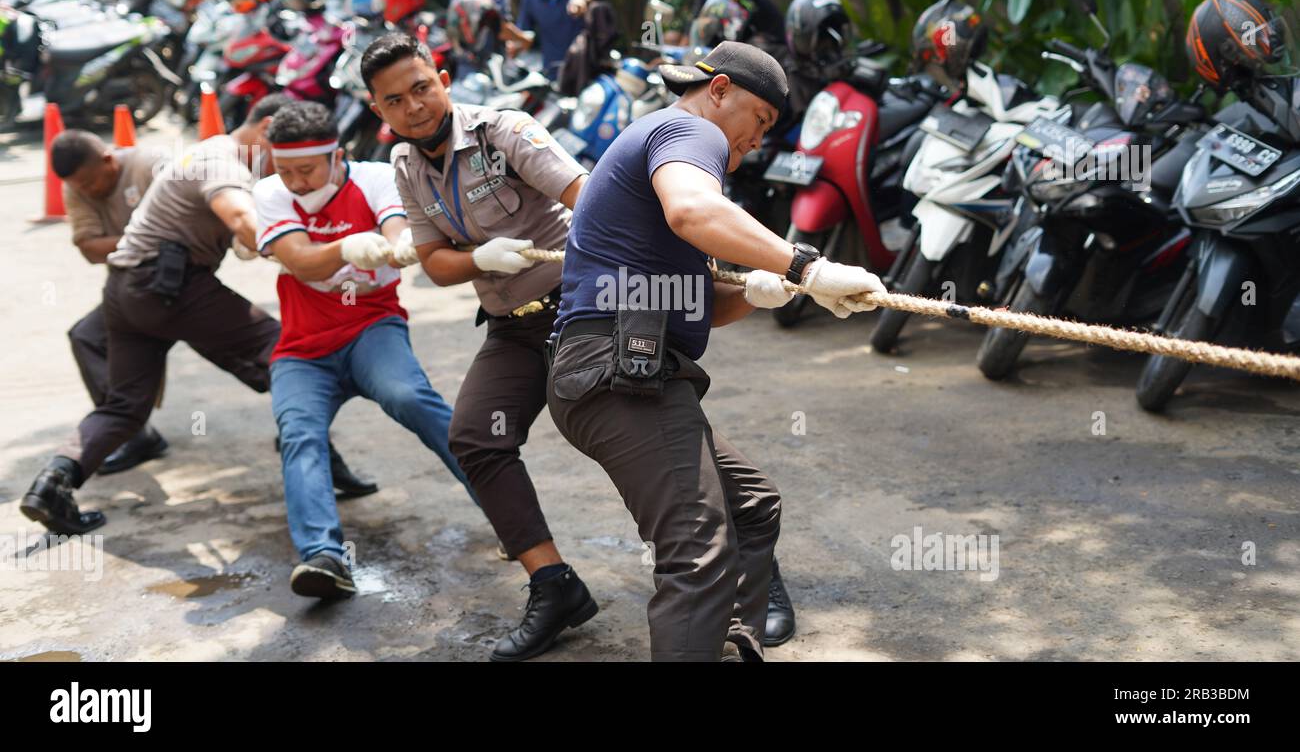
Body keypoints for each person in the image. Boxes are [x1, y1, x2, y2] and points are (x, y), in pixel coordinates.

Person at [546, 40, 887, 661]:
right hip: (611, 371)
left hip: (628, 370)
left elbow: (698, 301)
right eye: (760, 120)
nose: (758, 140)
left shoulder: (672, 146)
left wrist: (761, 293)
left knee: (751, 507)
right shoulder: (687, 130)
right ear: (721, 89)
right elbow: (693, 211)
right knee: (696, 546)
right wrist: (805, 264)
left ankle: (727, 644)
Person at [17, 96, 366, 536]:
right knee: (291, 354)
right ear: (267, 130)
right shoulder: (222, 161)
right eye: (289, 151)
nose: (295, 169)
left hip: (125, 292)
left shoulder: (210, 160)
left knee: (124, 406)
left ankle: (52, 483)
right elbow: (241, 218)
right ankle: (309, 452)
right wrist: (313, 259)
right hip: (170, 287)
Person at [363, 32, 596, 661]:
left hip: (578, 310)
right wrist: (477, 260)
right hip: (510, 325)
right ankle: (555, 585)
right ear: (376, 110)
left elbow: (590, 200)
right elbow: (433, 263)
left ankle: (747, 571)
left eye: (421, 87)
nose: (414, 106)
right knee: (475, 438)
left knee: (634, 438)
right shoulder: (406, 166)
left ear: (441, 77)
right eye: (396, 100)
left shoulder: (504, 131)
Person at [253, 100, 476, 599]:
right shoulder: (269, 192)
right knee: (298, 433)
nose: (295, 181)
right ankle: (323, 557)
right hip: (303, 349)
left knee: (413, 399)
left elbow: (399, 229)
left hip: (372, 327)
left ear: (337, 156)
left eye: (306, 169)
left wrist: (399, 244)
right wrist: (349, 246)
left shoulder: (377, 176)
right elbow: (300, 261)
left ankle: (508, 515)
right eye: (284, 170)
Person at [53, 130, 169, 475]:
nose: (86, 191)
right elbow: (88, 247)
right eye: (79, 187)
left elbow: (186, 227)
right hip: (130, 291)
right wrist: (150, 239)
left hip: (185, 284)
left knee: (244, 348)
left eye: (90, 182)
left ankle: (302, 425)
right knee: (86, 336)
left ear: (108, 159)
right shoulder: (75, 186)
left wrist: (122, 243)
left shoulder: (149, 166)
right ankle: (133, 434)